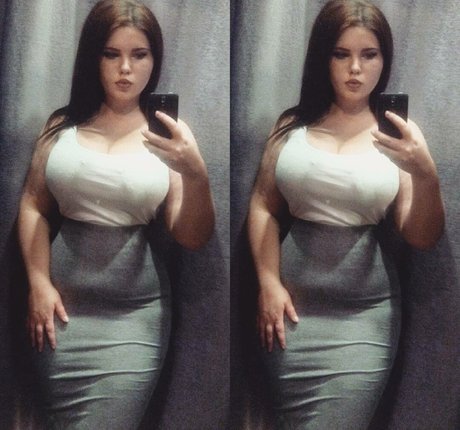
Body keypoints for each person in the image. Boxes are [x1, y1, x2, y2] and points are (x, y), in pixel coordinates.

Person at [17, 0, 214, 428]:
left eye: (139, 55)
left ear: (155, 60)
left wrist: (196, 173)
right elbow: (33, 204)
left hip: (132, 320)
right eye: (111, 54)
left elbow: (192, 236)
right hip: (57, 313)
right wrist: (37, 282)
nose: (125, 69)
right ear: (94, 57)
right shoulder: (61, 127)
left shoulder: (169, 138)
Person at [247, 0, 444, 428]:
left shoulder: (399, 137)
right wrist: (267, 282)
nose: (355, 69)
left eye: (369, 55)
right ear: (324, 57)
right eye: (341, 54)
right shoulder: (291, 126)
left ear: (384, 60)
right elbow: (263, 205)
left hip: (363, 319)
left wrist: (425, 173)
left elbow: (421, 236)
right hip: (288, 312)